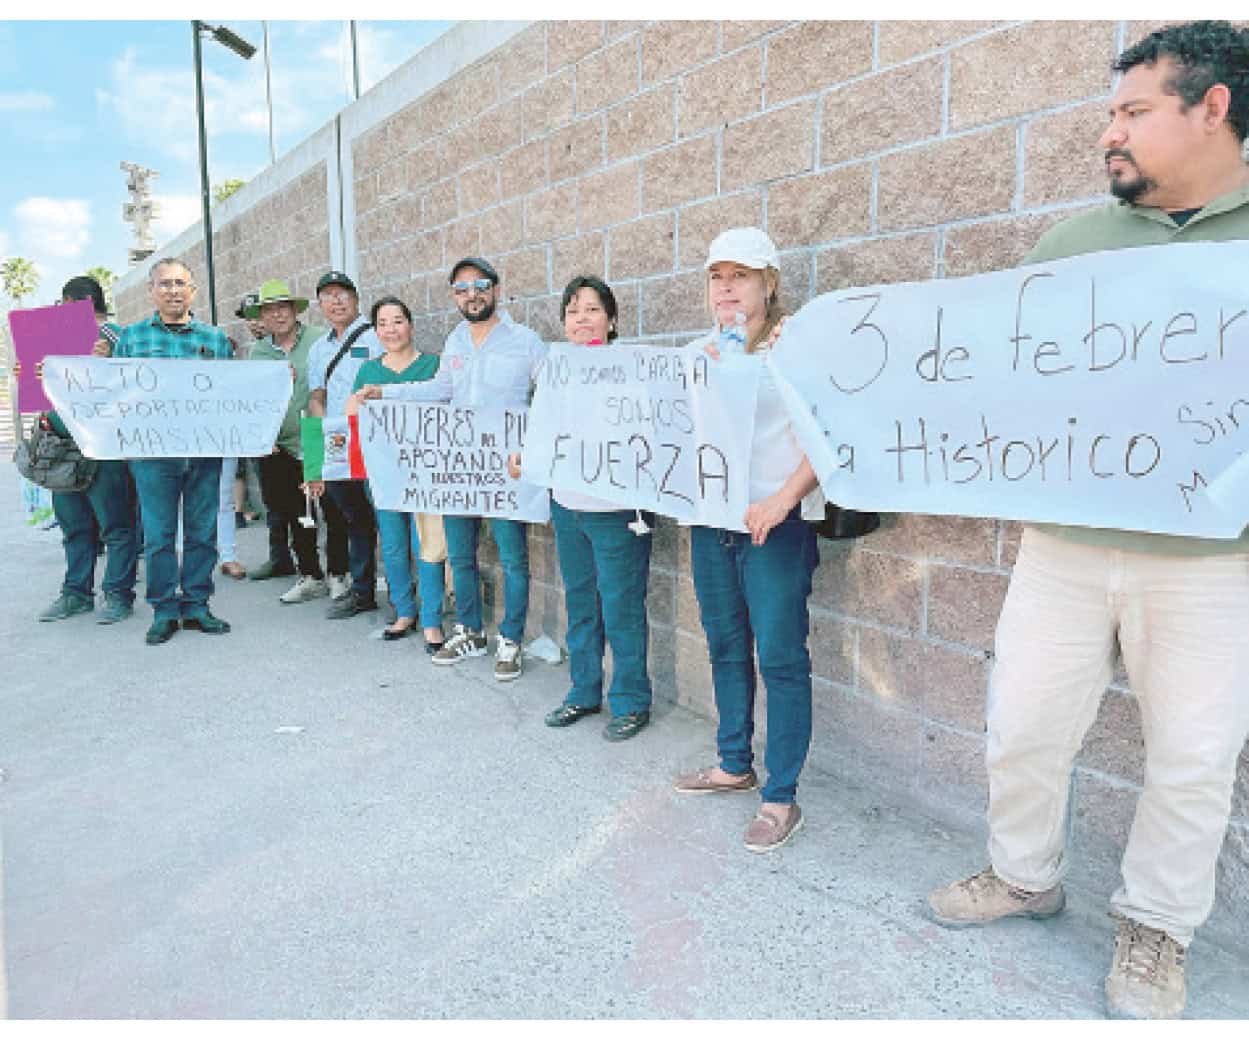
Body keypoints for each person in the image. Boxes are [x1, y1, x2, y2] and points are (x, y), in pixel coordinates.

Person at [926, 21, 1249, 1020]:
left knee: (1193, 757)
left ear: (1212, 107)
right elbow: (1002, 381)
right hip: (1062, 545)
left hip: (1210, 561)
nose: (1108, 132)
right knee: (1020, 725)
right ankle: (1024, 872)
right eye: (1109, 112)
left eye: (1131, 112)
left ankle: (1155, 930)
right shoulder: (1072, 244)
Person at [672, 228, 823, 854]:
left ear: (769, 283)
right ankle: (734, 763)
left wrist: (784, 498)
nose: (728, 286)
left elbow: (830, 435)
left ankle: (781, 795)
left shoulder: (800, 348)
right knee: (725, 644)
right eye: (717, 276)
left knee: (781, 657)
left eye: (742, 274)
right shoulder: (696, 353)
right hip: (713, 524)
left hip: (775, 526)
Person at [361, 256, 546, 681]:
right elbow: (439, 389)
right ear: (454, 297)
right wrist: (385, 393)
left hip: (505, 470)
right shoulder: (456, 341)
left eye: (479, 285)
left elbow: (550, 391)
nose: (471, 294)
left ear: (496, 289)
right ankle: (470, 631)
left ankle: (511, 640)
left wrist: (535, 444)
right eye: (461, 289)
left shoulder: (525, 340)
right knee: (460, 554)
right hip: (459, 471)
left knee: (513, 558)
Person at [510, 277, 654, 740]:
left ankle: (630, 701)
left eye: (592, 309)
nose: (582, 319)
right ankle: (584, 691)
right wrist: (525, 456)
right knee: (582, 603)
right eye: (573, 311)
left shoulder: (634, 368)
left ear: (611, 320)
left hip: (617, 511)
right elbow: (545, 427)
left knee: (621, 607)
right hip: (568, 505)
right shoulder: (555, 368)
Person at [107, 257, 234, 645]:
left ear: (192, 290)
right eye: (165, 284)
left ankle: (196, 604)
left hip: (203, 454)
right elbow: (114, 391)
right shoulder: (132, 339)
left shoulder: (215, 340)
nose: (173, 291)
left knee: (201, 531)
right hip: (153, 456)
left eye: (180, 284)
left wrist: (276, 382)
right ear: (152, 291)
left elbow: (233, 391)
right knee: (160, 535)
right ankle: (164, 609)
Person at [21, 275, 139, 625]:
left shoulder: (118, 338)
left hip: (104, 448)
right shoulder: (52, 340)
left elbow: (138, 379)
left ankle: (118, 595)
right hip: (63, 450)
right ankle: (76, 594)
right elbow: (40, 387)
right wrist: (28, 374)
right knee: (74, 526)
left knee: (116, 526)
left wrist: (108, 360)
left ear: (78, 303)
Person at [346, 296, 446, 650]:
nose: (391, 329)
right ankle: (404, 610)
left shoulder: (434, 366)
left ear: (412, 326)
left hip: (426, 473)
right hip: (384, 473)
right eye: (383, 323)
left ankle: (433, 618)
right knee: (392, 542)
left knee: (428, 543)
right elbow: (352, 417)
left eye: (398, 321)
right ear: (376, 331)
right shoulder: (368, 371)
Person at [244, 279, 334, 603]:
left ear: (294, 311)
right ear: (262, 318)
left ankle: (341, 573)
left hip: (314, 435)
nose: (278, 315)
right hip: (278, 444)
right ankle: (310, 574)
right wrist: (261, 436)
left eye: (283, 308)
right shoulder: (259, 352)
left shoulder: (318, 340)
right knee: (295, 512)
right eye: (270, 310)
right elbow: (253, 398)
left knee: (332, 509)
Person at [305, 271, 384, 616]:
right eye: (328, 296)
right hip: (339, 442)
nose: (336, 301)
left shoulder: (376, 335)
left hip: (376, 438)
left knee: (386, 515)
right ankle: (362, 590)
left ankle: (400, 592)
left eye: (342, 294)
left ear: (356, 298)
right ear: (320, 305)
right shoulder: (319, 348)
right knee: (353, 518)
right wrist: (317, 455)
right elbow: (316, 398)